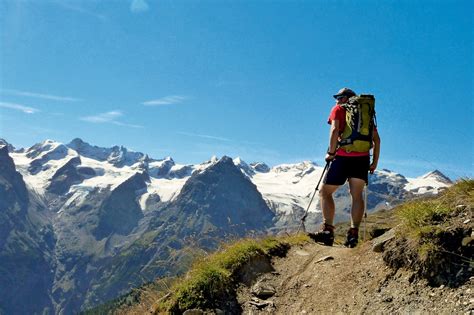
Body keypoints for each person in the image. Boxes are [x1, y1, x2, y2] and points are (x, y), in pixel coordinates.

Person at [309, 87, 380, 247]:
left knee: (325, 192)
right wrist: (374, 162)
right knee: (356, 195)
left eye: (339, 96)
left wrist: (331, 153)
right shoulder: (365, 114)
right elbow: (377, 140)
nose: (336, 99)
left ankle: (327, 231)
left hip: (342, 157)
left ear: (345, 98)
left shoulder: (338, 109)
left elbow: (334, 130)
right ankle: (353, 234)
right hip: (362, 159)